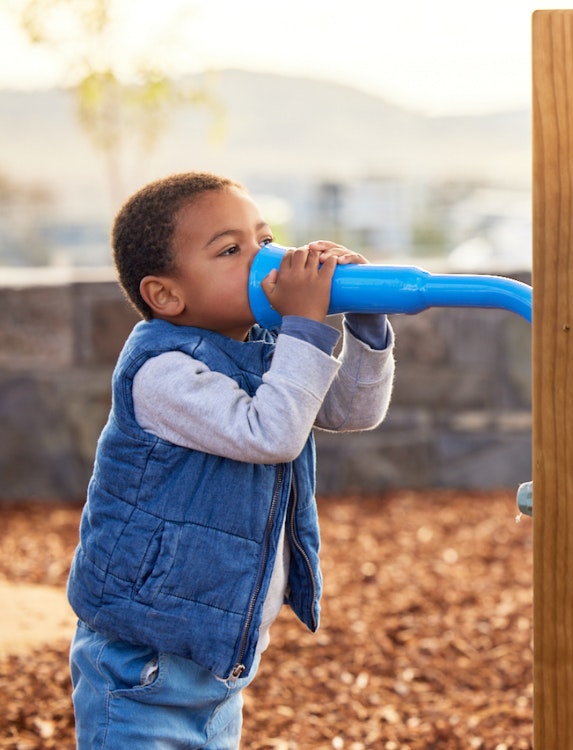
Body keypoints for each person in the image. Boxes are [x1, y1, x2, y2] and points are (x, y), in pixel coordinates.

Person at [66, 171, 395, 748]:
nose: (266, 260)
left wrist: (360, 325)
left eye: (265, 240)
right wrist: (305, 328)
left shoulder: (266, 349)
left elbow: (348, 412)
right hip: (145, 665)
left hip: (216, 660)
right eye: (231, 249)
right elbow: (272, 433)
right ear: (166, 294)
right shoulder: (161, 372)